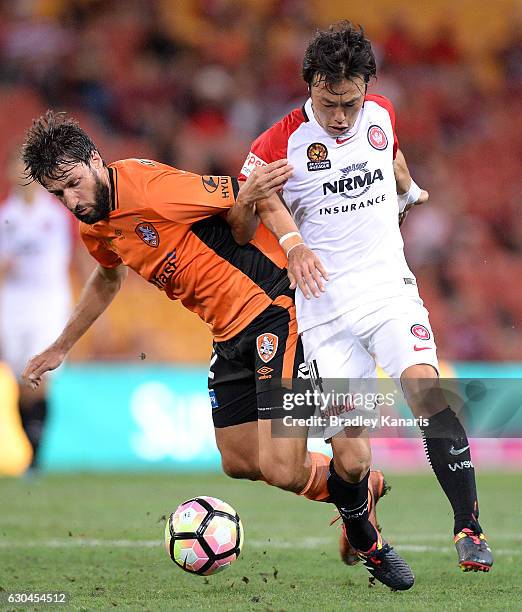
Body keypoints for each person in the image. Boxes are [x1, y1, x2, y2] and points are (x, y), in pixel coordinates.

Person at [20, 110, 413, 591]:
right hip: (226, 332)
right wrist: (61, 346)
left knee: (281, 467)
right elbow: (107, 276)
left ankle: (361, 521)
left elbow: (244, 193)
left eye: (75, 184)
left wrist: (284, 233)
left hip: (273, 310)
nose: (72, 201)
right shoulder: (95, 227)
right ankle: (360, 487)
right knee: (240, 461)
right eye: (58, 194)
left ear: (95, 160)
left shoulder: (149, 187)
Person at [237, 21, 493, 573]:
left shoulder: (381, 114)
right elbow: (260, 201)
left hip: (387, 289)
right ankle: (359, 522)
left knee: (427, 389)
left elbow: (393, 159)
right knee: (352, 458)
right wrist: (294, 244)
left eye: (350, 104)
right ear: (310, 85)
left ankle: (468, 527)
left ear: (366, 90)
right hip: (325, 308)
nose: (340, 117)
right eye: (329, 103)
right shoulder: (279, 141)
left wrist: (409, 192)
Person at [0, 151, 74, 470]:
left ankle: (36, 455)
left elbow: (80, 254)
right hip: (13, 302)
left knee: (39, 374)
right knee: (19, 378)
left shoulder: (57, 214)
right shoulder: (6, 216)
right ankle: (30, 448)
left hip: (48, 301)